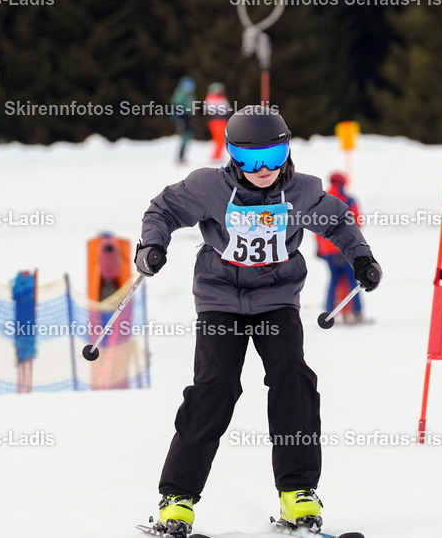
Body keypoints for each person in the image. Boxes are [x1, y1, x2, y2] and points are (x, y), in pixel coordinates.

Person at [136, 105, 382, 536]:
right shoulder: (209, 187)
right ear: (232, 155)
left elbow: (339, 221)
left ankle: (298, 493)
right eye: (250, 160)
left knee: (293, 379)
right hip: (220, 301)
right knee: (214, 389)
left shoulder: (302, 192)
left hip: (277, 300)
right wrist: (152, 245)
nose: (263, 169)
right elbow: (163, 209)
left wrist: (361, 258)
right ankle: (177, 499)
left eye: (273, 156)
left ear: (287, 151)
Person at [315, 172, 364, 323]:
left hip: (328, 249)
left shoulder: (321, 199)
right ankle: (356, 313)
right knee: (352, 280)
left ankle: (329, 312)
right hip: (345, 248)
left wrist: (320, 247)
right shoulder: (349, 199)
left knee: (333, 280)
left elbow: (315, 225)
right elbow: (357, 223)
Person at [11, 270, 36, 393]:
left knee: (28, 353)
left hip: (28, 322)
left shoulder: (27, 283)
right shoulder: (19, 283)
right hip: (20, 322)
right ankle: (21, 386)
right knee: (20, 354)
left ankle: (27, 386)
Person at [203, 82, 233, 161]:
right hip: (217, 121)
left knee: (221, 139)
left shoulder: (221, 98)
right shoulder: (212, 98)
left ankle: (218, 155)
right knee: (220, 138)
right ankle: (216, 156)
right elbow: (216, 110)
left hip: (221, 121)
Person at [171, 76, 197, 164]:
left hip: (186, 116)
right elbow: (177, 104)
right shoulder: (182, 92)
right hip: (183, 116)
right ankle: (180, 156)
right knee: (185, 135)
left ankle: (182, 156)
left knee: (188, 135)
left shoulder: (188, 93)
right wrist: (180, 115)